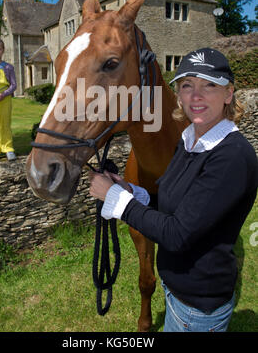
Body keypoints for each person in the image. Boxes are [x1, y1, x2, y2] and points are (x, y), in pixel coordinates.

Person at [88, 47, 258, 332]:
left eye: (209, 86)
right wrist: (128, 190)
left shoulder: (232, 156)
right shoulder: (190, 138)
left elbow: (177, 234)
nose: (196, 96)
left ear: (229, 94)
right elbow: (172, 204)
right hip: (177, 292)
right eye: (187, 85)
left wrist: (115, 199)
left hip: (197, 307)